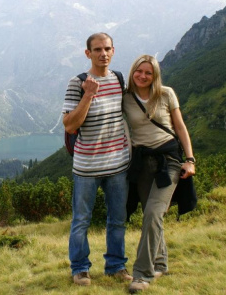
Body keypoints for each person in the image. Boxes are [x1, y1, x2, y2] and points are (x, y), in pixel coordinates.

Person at [62, 32, 132, 286]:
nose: (103, 53)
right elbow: (70, 125)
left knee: (117, 218)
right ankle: (80, 268)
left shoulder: (119, 79)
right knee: (81, 220)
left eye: (107, 48)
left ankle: (116, 266)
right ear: (87, 53)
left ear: (113, 51)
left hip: (118, 166)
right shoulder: (77, 83)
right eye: (97, 49)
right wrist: (89, 95)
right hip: (87, 167)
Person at [122, 54, 196, 293]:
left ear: (155, 76)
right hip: (142, 163)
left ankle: (141, 275)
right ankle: (161, 263)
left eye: (148, 72)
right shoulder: (125, 97)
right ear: (133, 71)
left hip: (169, 161)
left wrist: (190, 159)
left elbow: (180, 126)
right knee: (151, 214)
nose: (142, 76)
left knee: (153, 213)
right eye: (139, 71)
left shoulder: (166, 94)